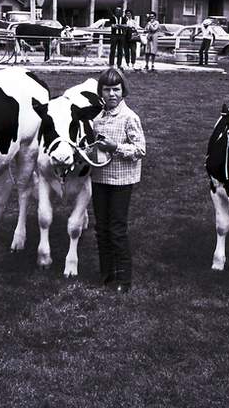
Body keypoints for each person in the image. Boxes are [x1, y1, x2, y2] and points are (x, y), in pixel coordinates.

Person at [91, 68, 146, 294]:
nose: (111, 94)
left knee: (116, 229)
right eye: (107, 90)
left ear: (123, 91)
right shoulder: (97, 119)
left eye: (116, 89)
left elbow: (140, 149)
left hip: (121, 181)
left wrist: (116, 147)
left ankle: (124, 278)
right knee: (101, 228)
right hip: (99, 179)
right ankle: (106, 274)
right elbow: (93, 148)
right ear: (101, 92)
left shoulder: (129, 117)